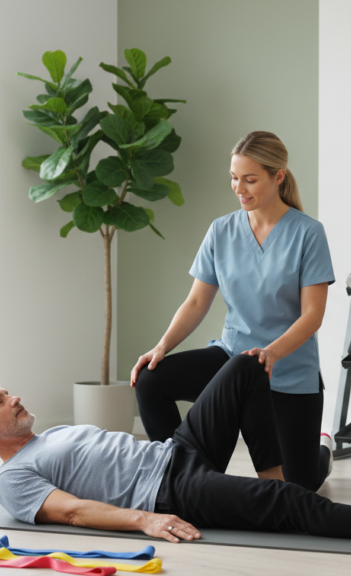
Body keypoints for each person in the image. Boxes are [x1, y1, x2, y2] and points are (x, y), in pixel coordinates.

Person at [0, 354, 351, 544]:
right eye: (0, 402)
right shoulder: (12, 479)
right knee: (287, 505)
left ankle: (274, 479)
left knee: (244, 366)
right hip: (168, 491)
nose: (14, 398)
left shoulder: (52, 434)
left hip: (174, 451)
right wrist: (145, 521)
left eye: (7, 392)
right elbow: (74, 512)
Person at [132, 131, 335, 492]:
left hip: (288, 371)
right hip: (231, 359)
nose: (239, 188)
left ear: (278, 177)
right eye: (234, 177)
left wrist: (271, 353)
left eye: (250, 179)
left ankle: (323, 452)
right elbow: (196, 302)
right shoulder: (221, 230)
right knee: (150, 379)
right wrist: (161, 347)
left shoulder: (308, 234)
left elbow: (312, 316)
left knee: (298, 489)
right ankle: (177, 475)